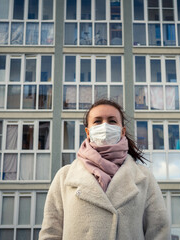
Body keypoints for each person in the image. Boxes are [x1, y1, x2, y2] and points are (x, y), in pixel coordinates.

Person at [39, 99, 170, 240]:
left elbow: (159, 230)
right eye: (97, 121)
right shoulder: (64, 177)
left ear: (122, 131)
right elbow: (50, 232)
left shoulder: (143, 177)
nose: (105, 126)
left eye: (112, 121)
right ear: (88, 132)